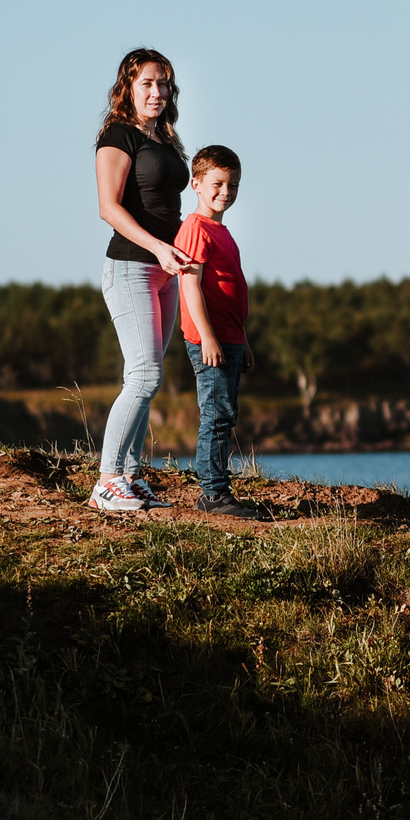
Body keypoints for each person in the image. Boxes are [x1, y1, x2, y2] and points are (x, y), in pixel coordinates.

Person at [91, 48, 196, 514]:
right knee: (144, 375)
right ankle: (106, 481)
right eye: (147, 84)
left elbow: (166, 206)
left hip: (166, 271)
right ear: (128, 88)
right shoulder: (118, 135)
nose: (157, 92)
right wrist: (157, 247)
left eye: (163, 84)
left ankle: (131, 478)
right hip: (131, 265)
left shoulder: (165, 139)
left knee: (147, 377)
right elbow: (108, 207)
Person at [175, 145, 260, 518]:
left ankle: (217, 489)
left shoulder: (221, 230)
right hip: (210, 341)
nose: (226, 192)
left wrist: (244, 340)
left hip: (231, 338)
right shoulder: (195, 228)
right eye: (218, 184)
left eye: (233, 185)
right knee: (215, 415)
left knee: (225, 414)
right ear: (196, 183)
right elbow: (190, 287)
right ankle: (213, 494)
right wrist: (207, 337)